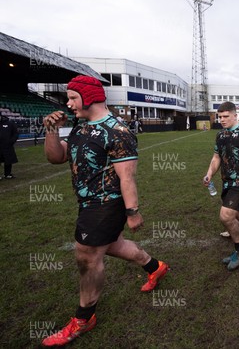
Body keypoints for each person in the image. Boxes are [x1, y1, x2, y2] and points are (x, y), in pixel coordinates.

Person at [40, 75, 169, 347]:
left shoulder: (118, 131)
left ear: (90, 97)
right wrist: (51, 131)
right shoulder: (80, 127)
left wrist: (133, 212)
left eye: (73, 98)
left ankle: (84, 317)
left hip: (106, 205)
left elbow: (127, 177)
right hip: (87, 203)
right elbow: (56, 158)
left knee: (86, 255)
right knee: (112, 246)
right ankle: (155, 267)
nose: (69, 103)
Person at [203, 102, 239, 270]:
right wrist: (209, 174)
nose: (221, 119)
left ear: (235, 115)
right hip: (226, 181)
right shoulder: (220, 135)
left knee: (226, 216)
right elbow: (216, 158)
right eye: (219, 116)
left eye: (225, 116)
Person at [0, 113, 18, 179]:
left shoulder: (9, 123)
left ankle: (7, 174)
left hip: (7, 146)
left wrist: (11, 141)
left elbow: (15, 133)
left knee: (8, 160)